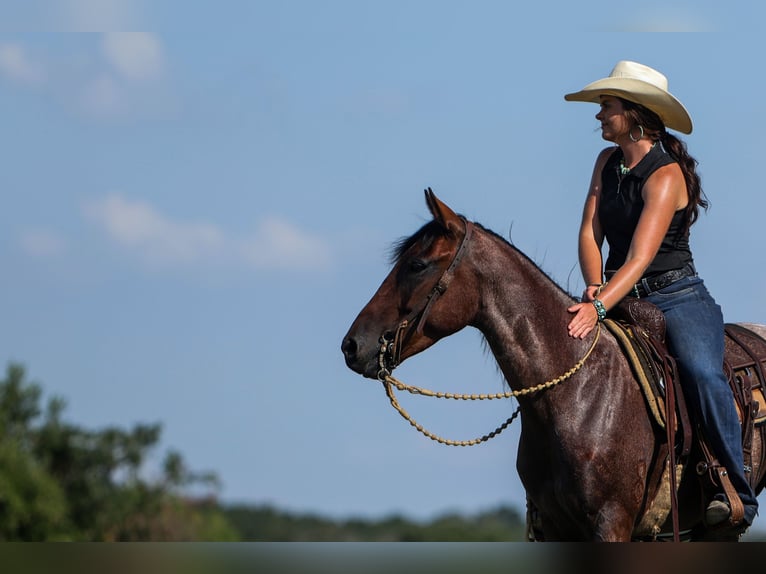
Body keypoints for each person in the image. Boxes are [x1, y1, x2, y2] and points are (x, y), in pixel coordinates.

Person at [563, 60, 758, 531]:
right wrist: (593, 285)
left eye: (606, 107)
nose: (598, 116)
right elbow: (590, 230)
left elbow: (640, 259)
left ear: (633, 113)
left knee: (701, 372)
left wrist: (599, 305)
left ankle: (735, 489)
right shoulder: (607, 162)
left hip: (676, 295)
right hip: (614, 292)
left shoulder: (666, 175)